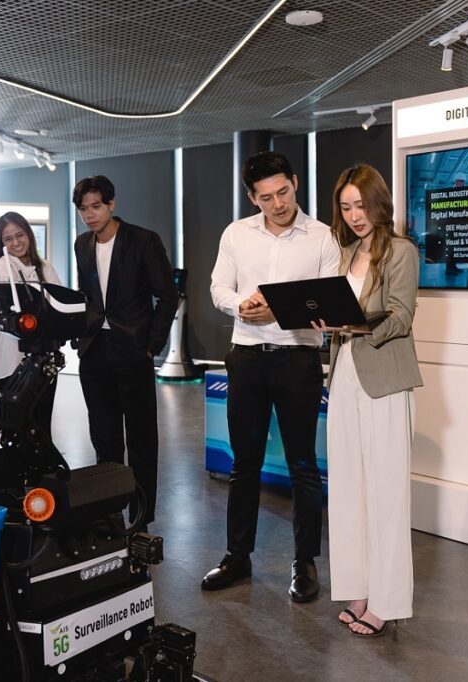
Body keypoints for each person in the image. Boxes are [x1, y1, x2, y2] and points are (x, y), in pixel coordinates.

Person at [204, 151, 340, 603]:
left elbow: (328, 300)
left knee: (303, 465)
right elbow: (218, 287)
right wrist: (241, 304)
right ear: (252, 197)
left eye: (283, 192)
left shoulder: (322, 237)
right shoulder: (236, 233)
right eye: (266, 197)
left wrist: (278, 310)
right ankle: (237, 557)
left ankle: (305, 563)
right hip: (246, 359)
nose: (278, 204)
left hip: (299, 360)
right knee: (244, 464)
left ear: (295, 183)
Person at [317, 163, 422, 637]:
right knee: (347, 490)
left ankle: (386, 601)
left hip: (385, 379)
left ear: (378, 202)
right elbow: (335, 316)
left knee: (386, 493)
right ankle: (358, 591)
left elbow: (401, 317)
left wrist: (353, 326)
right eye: (345, 207)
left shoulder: (401, 251)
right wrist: (327, 324)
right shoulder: (345, 253)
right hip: (344, 377)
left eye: (360, 205)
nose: (354, 215)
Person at [72, 175, 178, 528]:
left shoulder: (144, 240)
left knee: (142, 441)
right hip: (94, 353)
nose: (90, 214)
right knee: (104, 441)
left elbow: (167, 297)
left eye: (96, 206)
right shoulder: (82, 244)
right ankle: (110, 518)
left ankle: (141, 521)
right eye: (83, 209)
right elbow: (87, 296)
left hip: (133, 351)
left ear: (112, 203)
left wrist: (151, 347)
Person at [0, 212, 62, 436]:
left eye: (20, 235)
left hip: (44, 352)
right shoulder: (3, 265)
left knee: (42, 419)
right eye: (8, 239)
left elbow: (59, 298)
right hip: (12, 354)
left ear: (29, 234)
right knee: (16, 422)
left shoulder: (44, 266)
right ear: (1, 243)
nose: (16, 242)